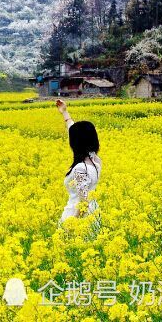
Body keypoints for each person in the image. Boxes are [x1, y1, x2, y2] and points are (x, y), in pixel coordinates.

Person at [56, 99, 102, 230]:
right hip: (94, 214)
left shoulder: (80, 168)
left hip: (78, 218)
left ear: (75, 143)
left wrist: (72, 226)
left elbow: (83, 202)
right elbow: (73, 129)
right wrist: (64, 112)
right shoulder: (95, 159)